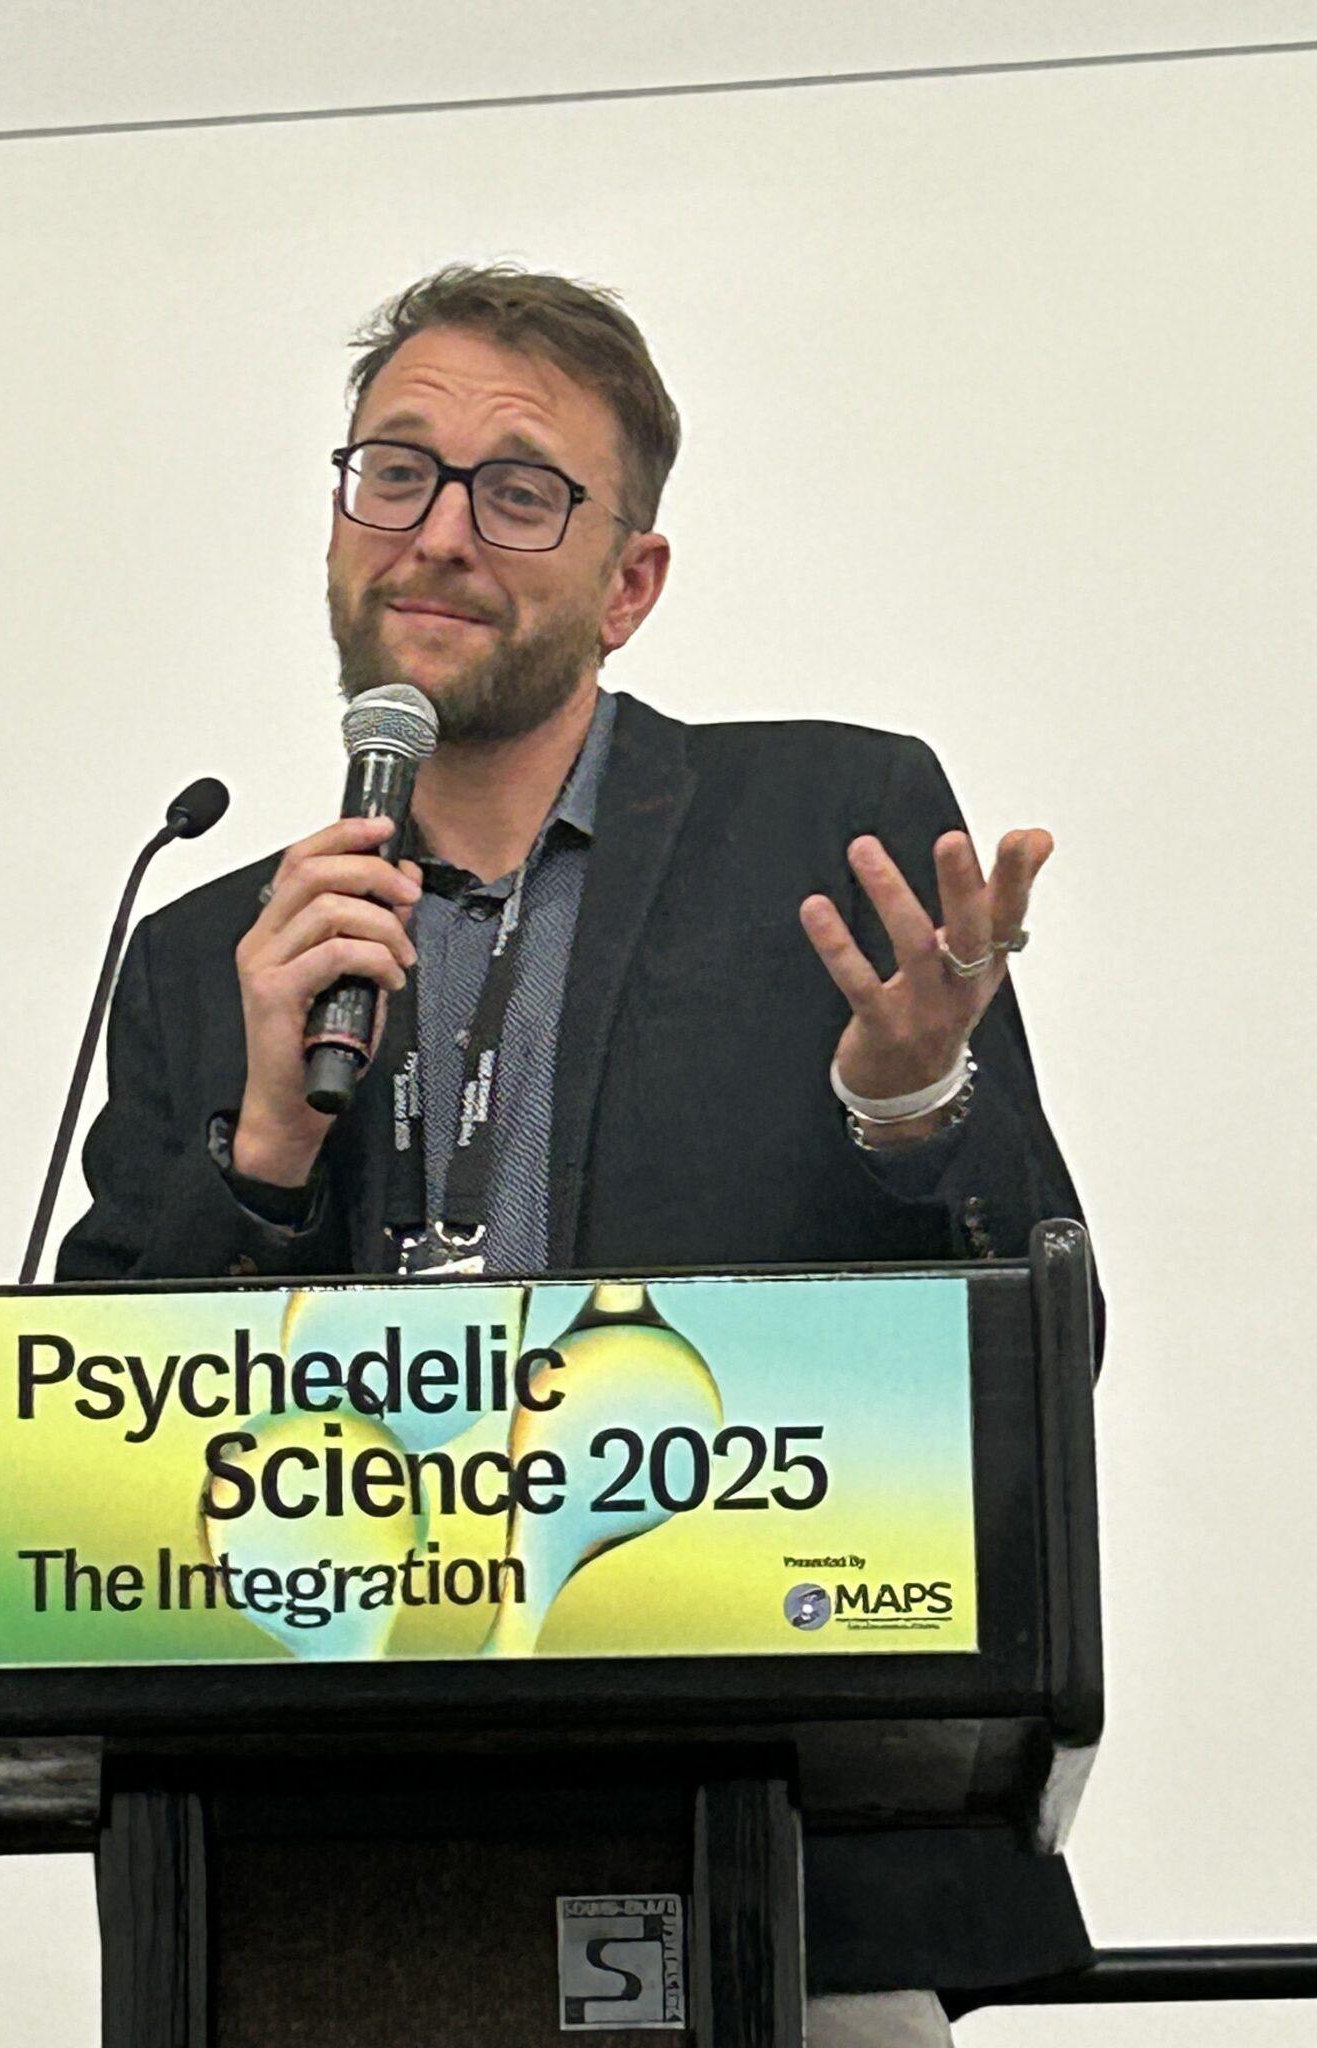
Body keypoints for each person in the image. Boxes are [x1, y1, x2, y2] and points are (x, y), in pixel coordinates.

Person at [58, 264, 1098, 2043]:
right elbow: (93, 1465)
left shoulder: (826, 828)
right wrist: (263, 1143)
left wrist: (911, 1105)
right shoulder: (207, 954)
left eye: (520, 490)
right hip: (336, 1902)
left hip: (792, 1863)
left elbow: (1040, 1354)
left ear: (631, 583)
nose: (440, 533)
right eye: (396, 471)